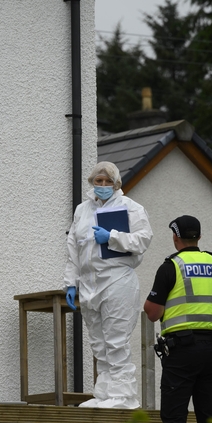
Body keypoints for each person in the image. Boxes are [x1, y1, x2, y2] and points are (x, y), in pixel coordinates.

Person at [63, 161, 153, 409]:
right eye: (98, 181)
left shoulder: (130, 207)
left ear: (117, 184)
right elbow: (73, 250)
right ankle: (105, 393)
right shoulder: (82, 210)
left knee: (116, 340)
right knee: (99, 343)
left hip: (117, 280)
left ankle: (124, 396)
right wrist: (70, 283)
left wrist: (112, 237)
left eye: (107, 182)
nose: (102, 186)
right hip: (89, 283)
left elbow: (144, 239)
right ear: (92, 182)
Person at [143, 215, 212, 423]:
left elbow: (152, 313)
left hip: (181, 350)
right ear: (199, 237)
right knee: (210, 418)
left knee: (174, 416)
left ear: (175, 237)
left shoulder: (170, 267)